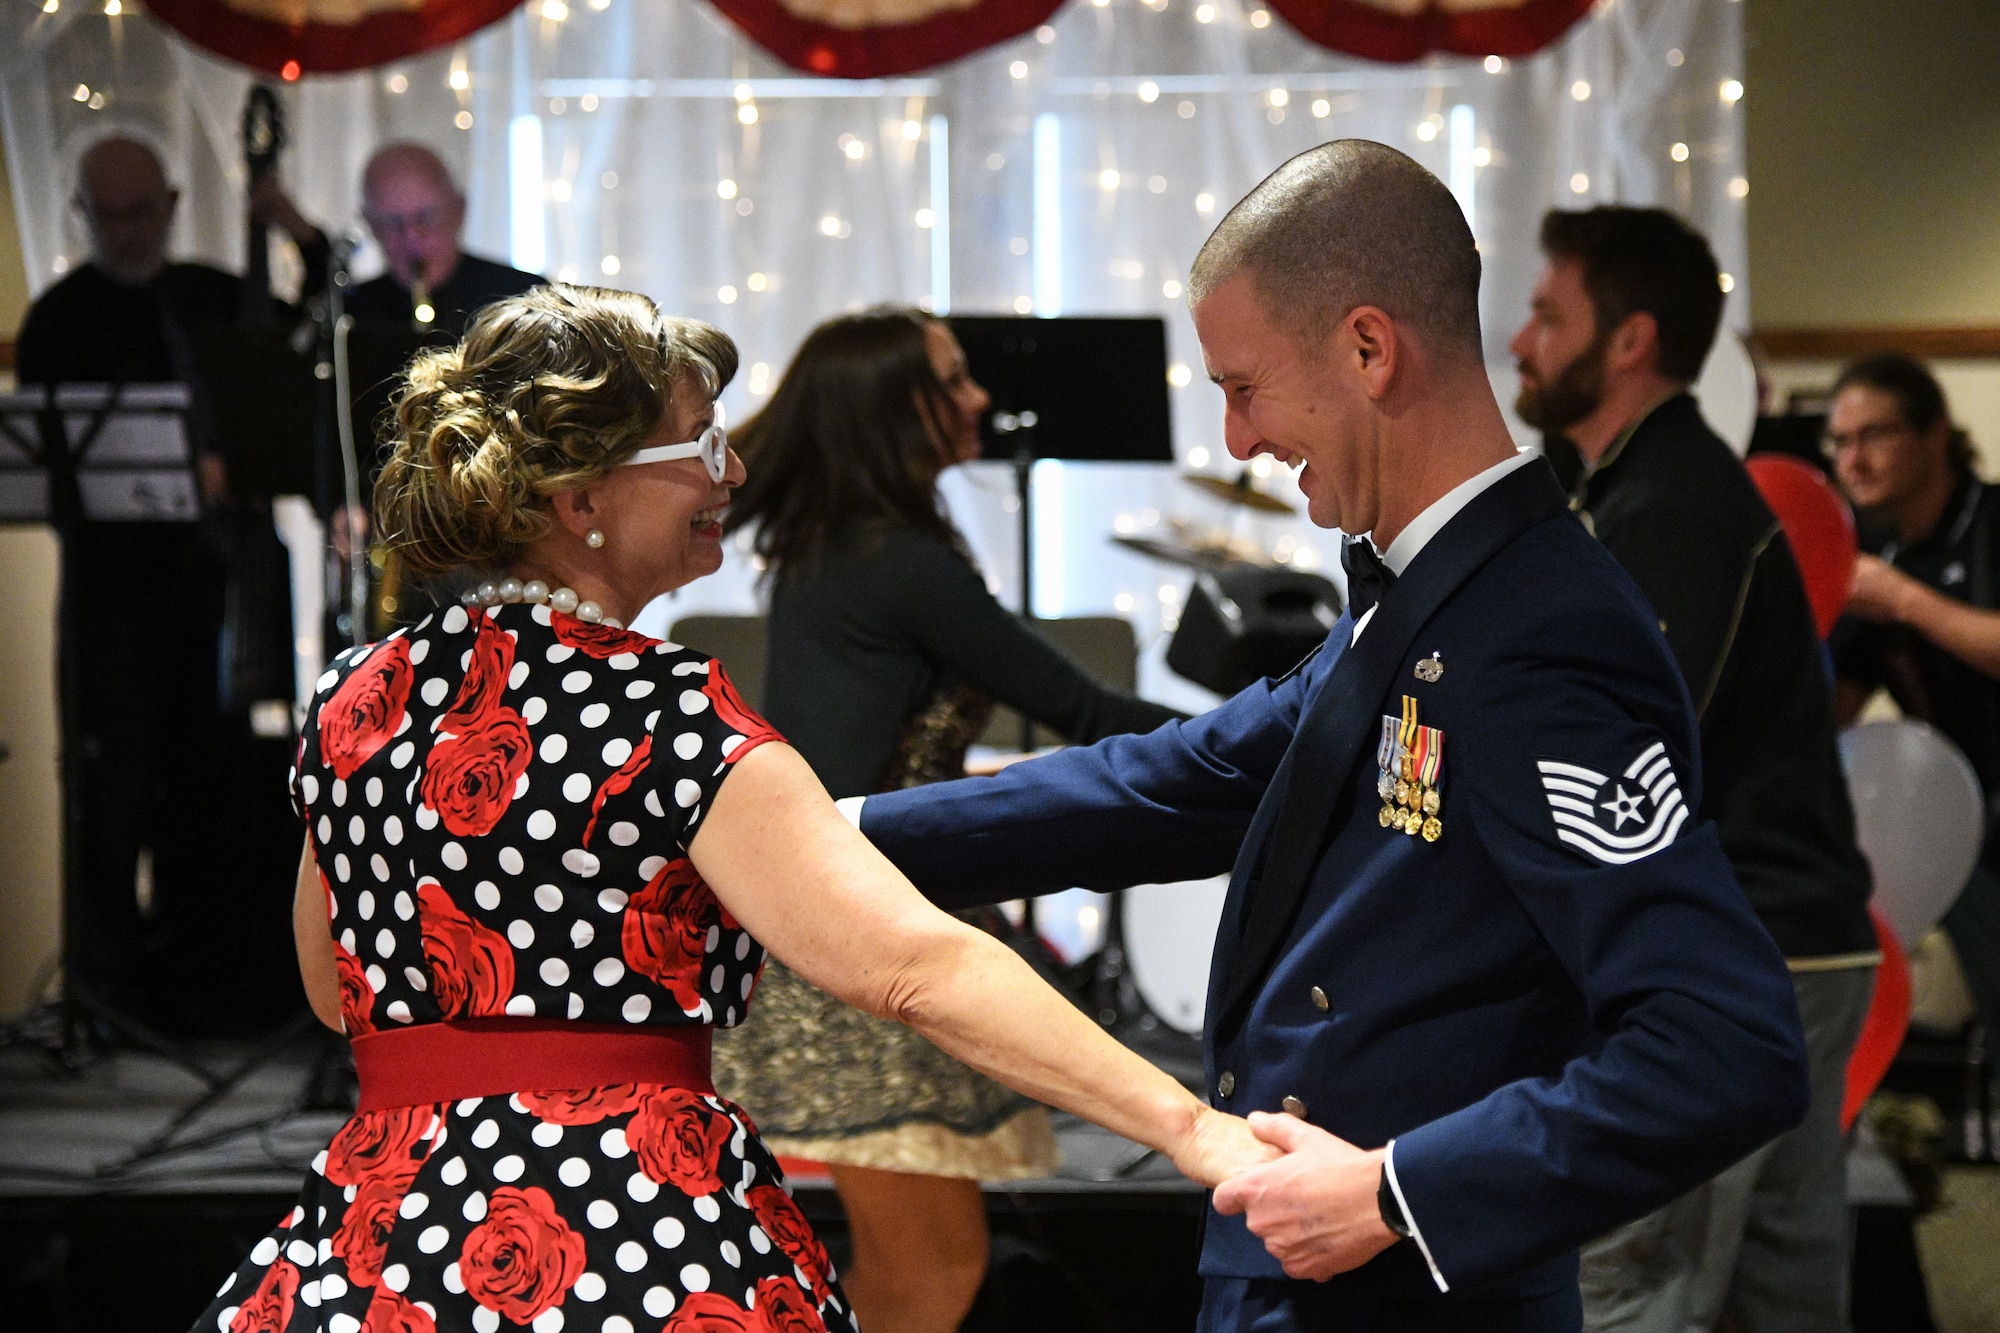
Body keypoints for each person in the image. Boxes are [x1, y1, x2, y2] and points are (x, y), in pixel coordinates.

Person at [833, 141, 1811, 1331]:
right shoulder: (1430, 592)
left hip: (1401, 1293)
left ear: (1366, 346)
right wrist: (831, 834)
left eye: (1243, 386)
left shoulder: (1541, 628)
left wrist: (1397, 1191)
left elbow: (1724, 1043)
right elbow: (1174, 782)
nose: (1237, 440)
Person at [193, 285, 1273, 1333]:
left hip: (392, 1230)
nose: (735, 469)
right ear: (581, 503)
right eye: (703, 445)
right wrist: (1190, 1127)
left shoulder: (356, 695)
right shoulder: (661, 710)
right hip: (622, 1225)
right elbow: (914, 967)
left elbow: (339, 999)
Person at [712, 307, 1186, 1333]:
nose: (979, 398)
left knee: (909, 1269)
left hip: (843, 940)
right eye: (954, 378)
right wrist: (1289, 739)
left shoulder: (841, 549)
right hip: (856, 957)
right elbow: (1090, 713)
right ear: (894, 412)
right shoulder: (893, 561)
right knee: (928, 1271)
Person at [1508, 205, 1878, 1333]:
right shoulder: (1644, 488)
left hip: (1744, 956)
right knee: (1777, 1296)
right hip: (1801, 945)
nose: (1519, 343)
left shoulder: (1670, 504)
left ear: (1627, 341)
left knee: (1635, 1289)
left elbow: (1619, 760)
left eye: (1544, 314)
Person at [16, 135, 325, 1027]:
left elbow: (315, 320)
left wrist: (293, 228)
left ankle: (211, 989)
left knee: (220, 789)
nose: (125, 230)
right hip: (114, 601)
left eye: (141, 211)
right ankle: (110, 998)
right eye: (107, 215)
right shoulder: (59, 320)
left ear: (174, 204)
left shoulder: (211, 296)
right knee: (110, 794)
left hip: (220, 593)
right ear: (82, 215)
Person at [1829, 353, 2000, 1041]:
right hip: (1967, 828)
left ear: (1934, 434)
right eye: (1839, 442)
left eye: (1875, 435)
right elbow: (1833, 709)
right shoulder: (1872, 551)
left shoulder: (1990, 520)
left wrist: (1903, 601)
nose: (1854, 459)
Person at [345, 142, 541, 334]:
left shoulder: (525, 300)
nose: (411, 237)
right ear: (370, 225)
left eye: (426, 218)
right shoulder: (349, 315)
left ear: (459, 209)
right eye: (392, 224)